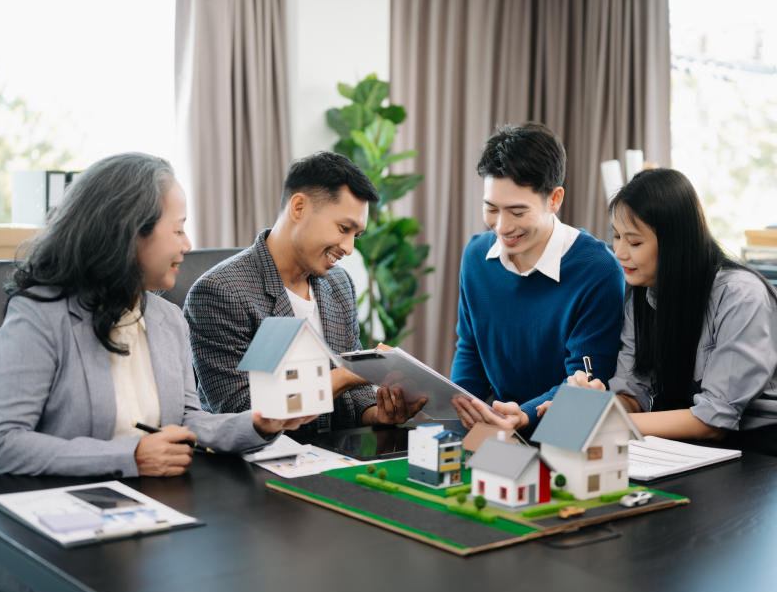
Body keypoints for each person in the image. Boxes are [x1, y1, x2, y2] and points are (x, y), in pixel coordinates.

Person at [0, 153, 313, 479]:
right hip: (57, 510)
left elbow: (186, 420)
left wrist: (257, 423)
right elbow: (1, 444)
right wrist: (131, 456)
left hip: (152, 503)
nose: (188, 244)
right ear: (131, 232)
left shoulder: (168, 318)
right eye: (178, 230)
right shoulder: (39, 317)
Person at [184, 151, 426, 432]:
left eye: (355, 236)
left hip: (327, 460)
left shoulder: (339, 285)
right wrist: (349, 374)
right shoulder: (220, 292)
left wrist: (375, 414)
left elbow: (352, 400)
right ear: (298, 207)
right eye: (344, 228)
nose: (348, 248)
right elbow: (241, 412)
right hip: (254, 467)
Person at [552, 168, 777, 455]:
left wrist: (609, 423)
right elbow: (635, 392)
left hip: (760, 448)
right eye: (616, 236)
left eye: (634, 242)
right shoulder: (642, 290)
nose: (619, 252)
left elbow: (715, 420)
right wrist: (592, 406)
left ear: (675, 243)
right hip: (689, 445)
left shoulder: (740, 296)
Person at [449, 122, 625, 434]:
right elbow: (471, 352)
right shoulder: (476, 258)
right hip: (495, 435)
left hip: (566, 438)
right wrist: (457, 419)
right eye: (491, 209)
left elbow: (586, 380)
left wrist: (525, 415)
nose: (502, 227)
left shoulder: (598, 270)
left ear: (554, 199)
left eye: (517, 213)